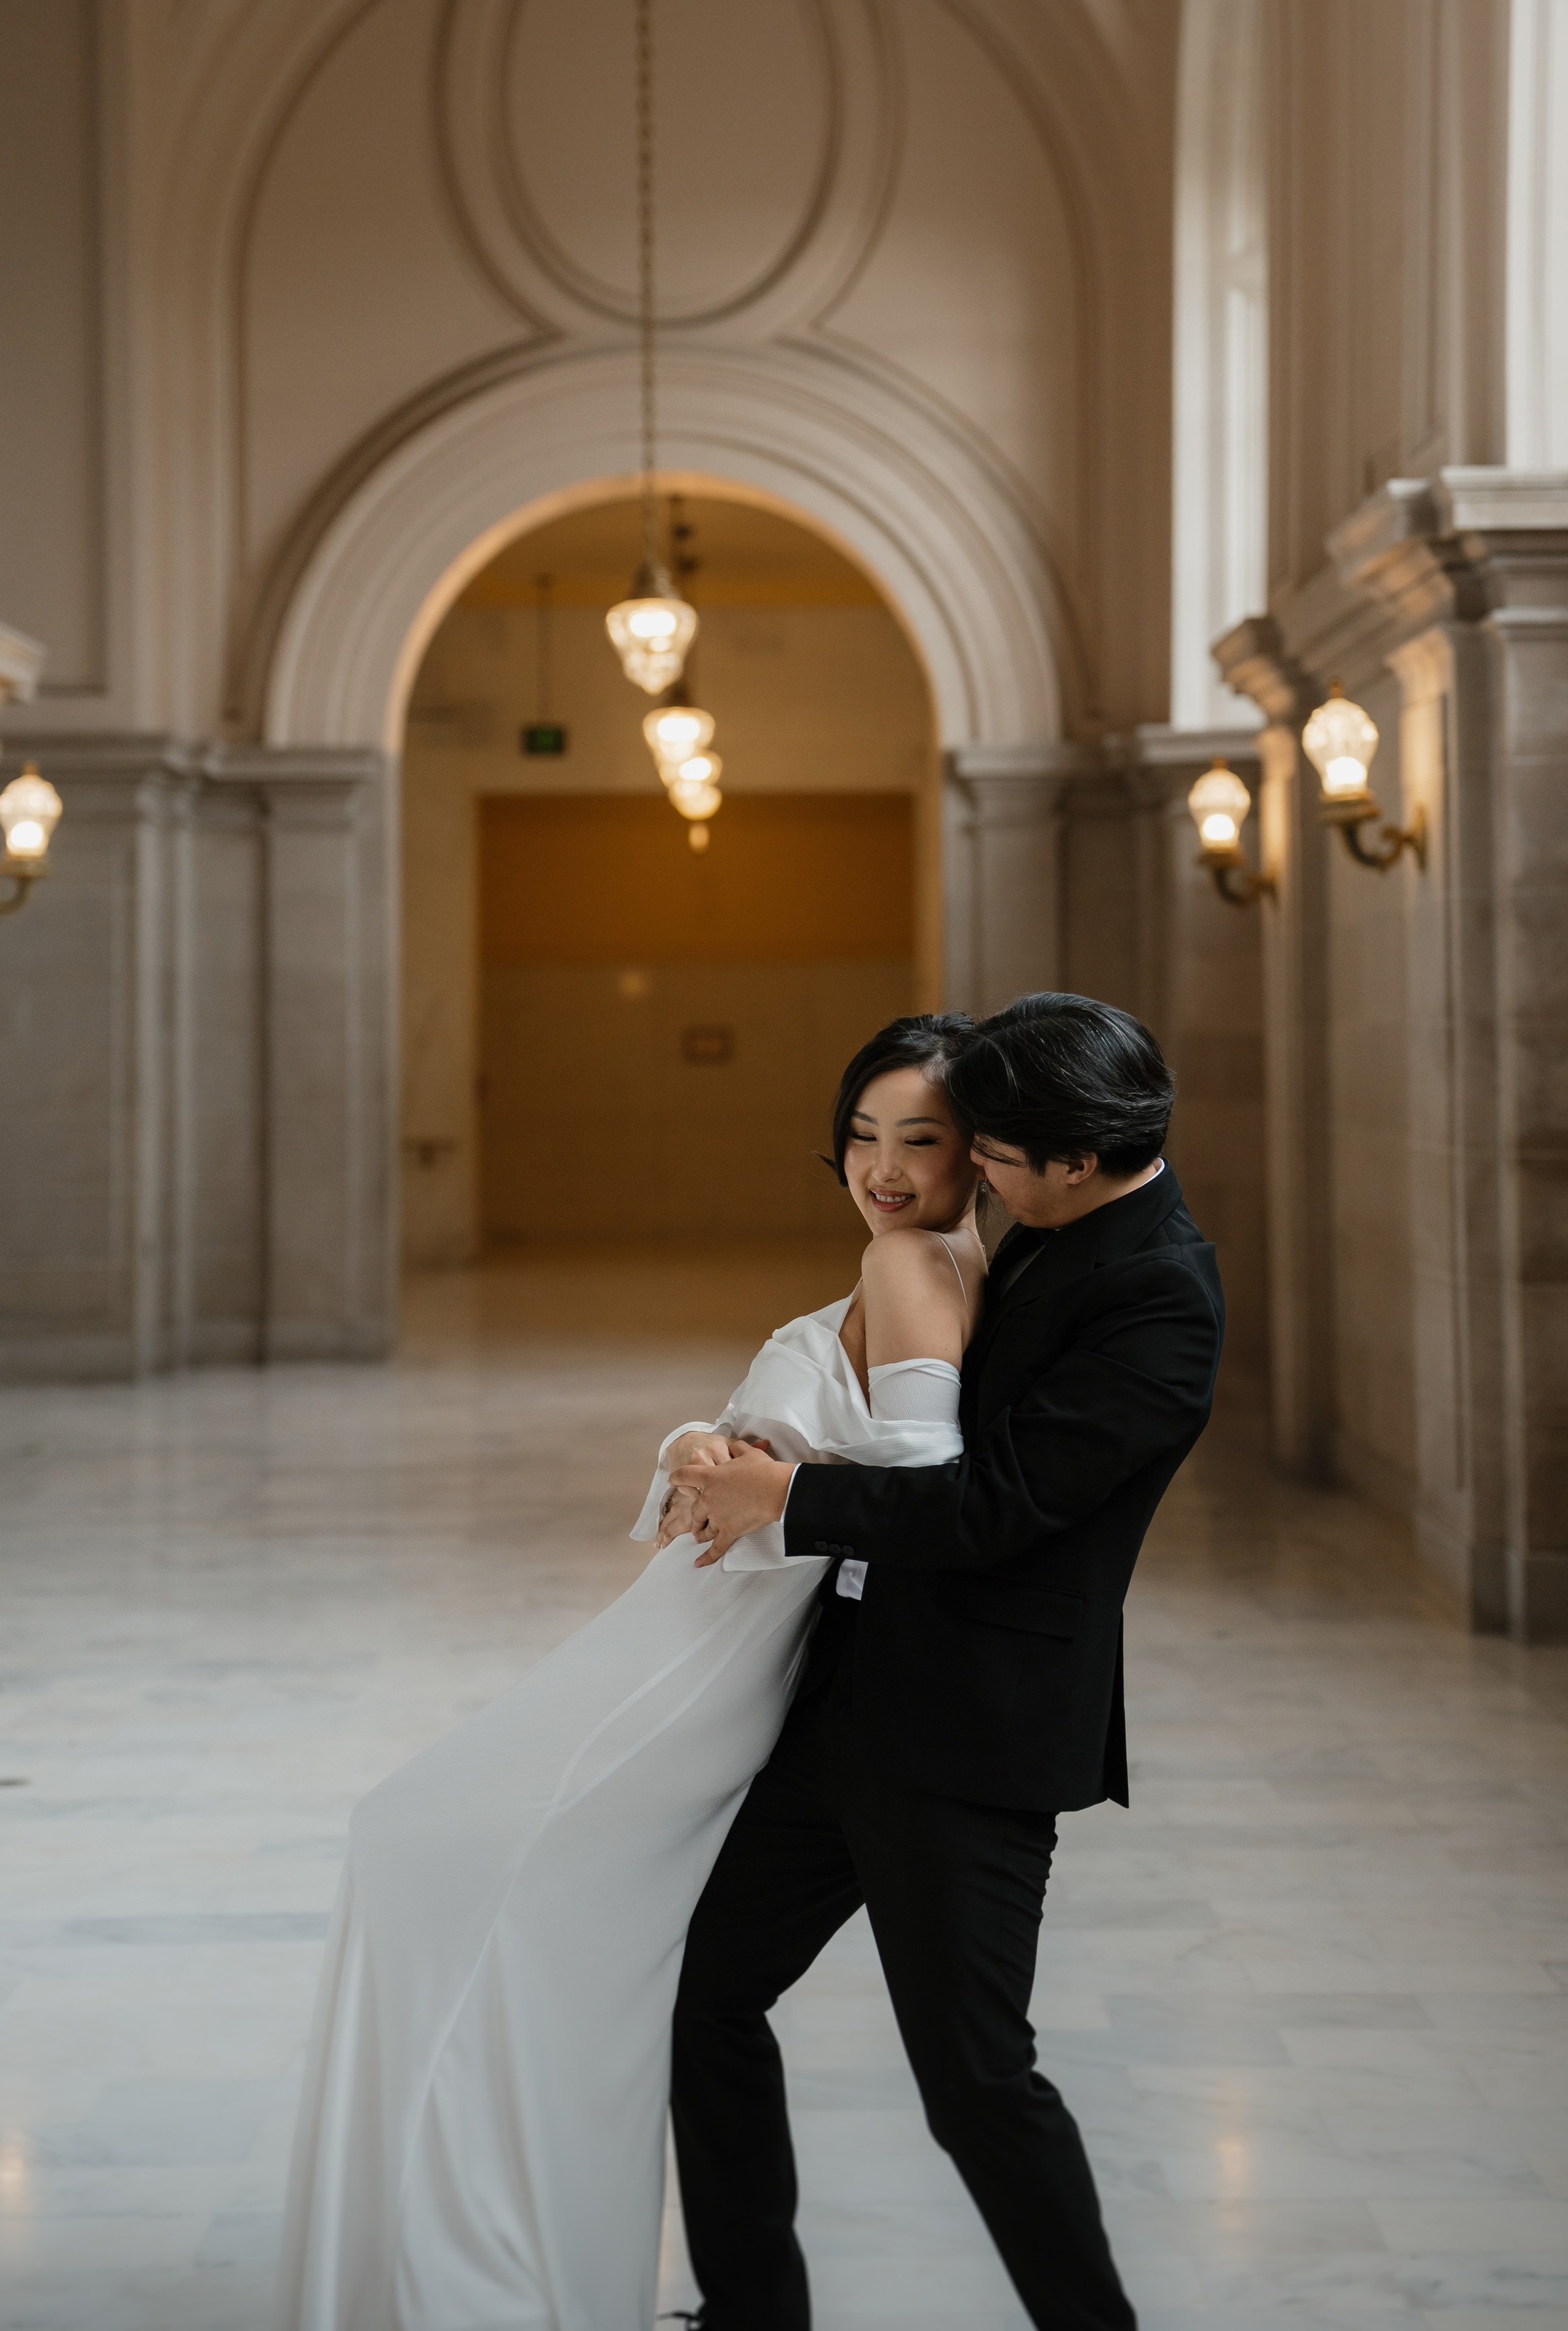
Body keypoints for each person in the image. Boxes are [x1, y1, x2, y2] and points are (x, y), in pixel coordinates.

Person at [274, 1013, 985, 2331]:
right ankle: (494, 2244)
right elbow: (816, 1451)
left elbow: (924, 1494)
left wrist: (760, 1483)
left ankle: (480, 2260)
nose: (885, 1168)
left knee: (437, 1857)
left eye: (923, 1140)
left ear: (977, 1154)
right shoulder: (904, 1260)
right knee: (441, 1862)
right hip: (683, 1629)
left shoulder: (914, 1264)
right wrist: (705, 1448)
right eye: (864, 1135)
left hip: (716, 1662)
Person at [671, 990, 1225, 2331]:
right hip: (854, 1696)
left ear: (1077, 1161)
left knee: (976, 2080)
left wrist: (788, 1504)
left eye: (994, 1154)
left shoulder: (1161, 1299)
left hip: (974, 1739)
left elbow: (995, 1511)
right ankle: (754, 2314)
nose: (965, 1171)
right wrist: (782, 1459)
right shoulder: (1040, 1222)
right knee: (705, 1996)